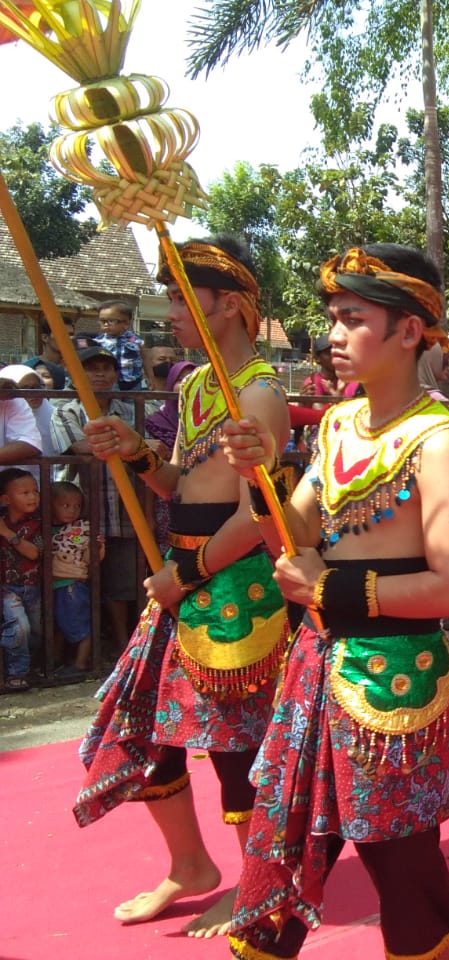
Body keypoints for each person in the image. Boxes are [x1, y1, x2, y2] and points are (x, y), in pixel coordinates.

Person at [221, 242, 449, 960]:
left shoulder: (438, 441)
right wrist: (259, 474)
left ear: (407, 331)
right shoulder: (337, 425)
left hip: (393, 681)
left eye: (352, 318)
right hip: (316, 668)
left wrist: (331, 588)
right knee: (286, 835)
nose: (332, 334)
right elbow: (294, 528)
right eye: (332, 317)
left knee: (402, 863)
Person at [73, 235, 291, 937]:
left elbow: (256, 518)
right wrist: (135, 454)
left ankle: (255, 881)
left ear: (227, 304)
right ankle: (189, 864)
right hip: (178, 579)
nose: (166, 310)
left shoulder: (261, 392)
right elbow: (176, 483)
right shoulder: (194, 384)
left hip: (230, 585)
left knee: (233, 744)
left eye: (178, 297)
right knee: (149, 728)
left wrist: (185, 575)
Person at [49, 346, 146, 653]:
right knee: (74, 585)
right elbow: (80, 447)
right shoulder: (66, 409)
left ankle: (122, 647)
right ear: (76, 375)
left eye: (106, 368)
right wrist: (128, 446)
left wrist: (130, 447)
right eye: (91, 368)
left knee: (123, 585)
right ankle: (74, 656)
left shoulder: (130, 408)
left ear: (117, 374)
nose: (100, 374)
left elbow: (146, 447)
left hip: (122, 509)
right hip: (79, 514)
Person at [48, 479, 102, 679]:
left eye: (77, 506)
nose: (72, 511)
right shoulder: (46, 529)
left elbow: (88, 552)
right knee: (60, 624)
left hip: (71, 585)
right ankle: (54, 660)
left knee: (78, 624)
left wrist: (97, 546)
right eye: (65, 505)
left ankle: (80, 663)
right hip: (55, 584)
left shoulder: (78, 532)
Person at [0, 467, 42, 692]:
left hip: (33, 585)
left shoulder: (37, 521)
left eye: (35, 491)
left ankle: (29, 666)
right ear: (6, 499)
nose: (33, 496)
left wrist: (7, 534)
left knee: (36, 630)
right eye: (24, 493)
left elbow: (35, 553)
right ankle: (16, 673)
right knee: (20, 628)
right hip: (7, 588)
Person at [96, 300, 146, 392]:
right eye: (103, 321)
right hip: (110, 383)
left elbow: (146, 360)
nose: (106, 324)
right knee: (114, 404)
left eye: (111, 321)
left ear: (126, 323)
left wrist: (150, 378)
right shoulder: (98, 342)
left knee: (132, 405)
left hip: (133, 382)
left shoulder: (136, 340)